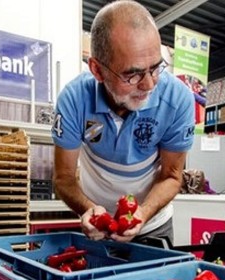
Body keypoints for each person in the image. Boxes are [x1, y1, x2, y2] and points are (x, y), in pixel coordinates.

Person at [51, 0, 195, 244]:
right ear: (97, 70)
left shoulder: (177, 99)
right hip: (97, 226)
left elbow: (171, 175)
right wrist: (88, 209)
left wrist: (143, 214)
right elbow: (63, 178)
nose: (149, 85)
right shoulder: (74, 100)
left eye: (156, 68)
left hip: (153, 225)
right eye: (133, 74)